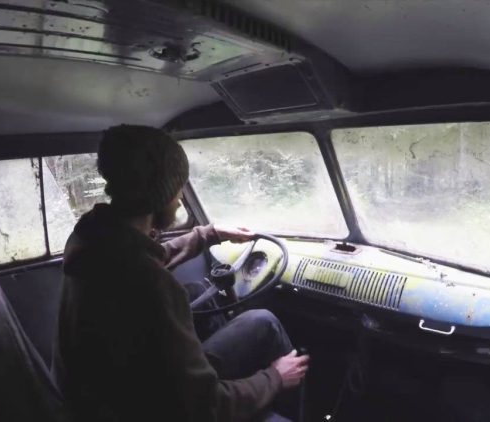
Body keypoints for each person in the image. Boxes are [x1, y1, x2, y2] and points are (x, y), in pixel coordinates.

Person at [53, 125, 309, 421]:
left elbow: (144, 257)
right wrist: (275, 377)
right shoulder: (151, 284)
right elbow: (205, 407)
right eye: (178, 189)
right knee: (264, 323)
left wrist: (209, 234)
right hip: (145, 409)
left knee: (197, 292)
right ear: (159, 194)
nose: (180, 199)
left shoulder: (90, 239)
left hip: (102, 397)